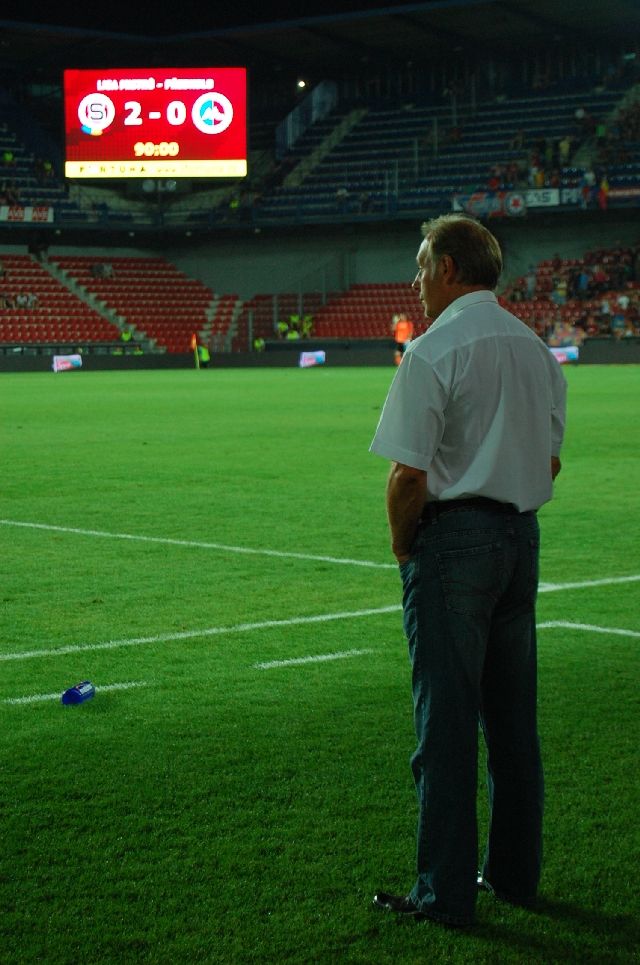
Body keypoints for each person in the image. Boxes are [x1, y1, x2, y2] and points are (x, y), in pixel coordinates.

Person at [370, 214, 567, 927]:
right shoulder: (536, 349)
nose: (416, 279)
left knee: (446, 728)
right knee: (514, 725)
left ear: (450, 268)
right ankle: (514, 876)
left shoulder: (431, 352)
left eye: (422, 265)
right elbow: (549, 461)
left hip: (453, 546)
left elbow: (406, 477)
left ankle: (444, 894)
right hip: (521, 541)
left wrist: (403, 548)